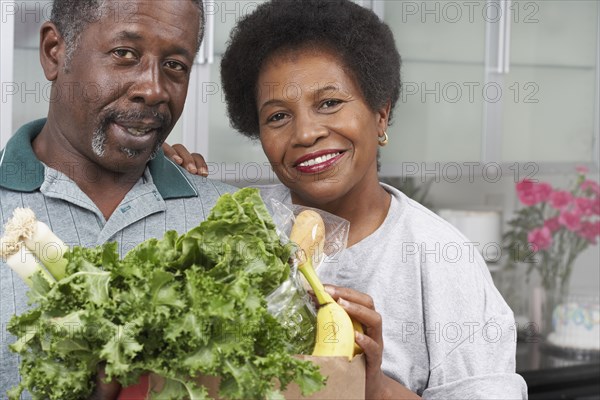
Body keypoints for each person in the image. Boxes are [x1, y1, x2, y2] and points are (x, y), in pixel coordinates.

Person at [165, 0, 528, 398]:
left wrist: (373, 386)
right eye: (278, 116)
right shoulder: (241, 225)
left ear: (381, 114)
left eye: (329, 103)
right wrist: (154, 171)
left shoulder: (439, 258)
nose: (305, 133)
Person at [0, 0, 233, 398]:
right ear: (55, 51)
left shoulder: (227, 222)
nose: (153, 89)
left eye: (175, 64)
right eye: (124, 54)